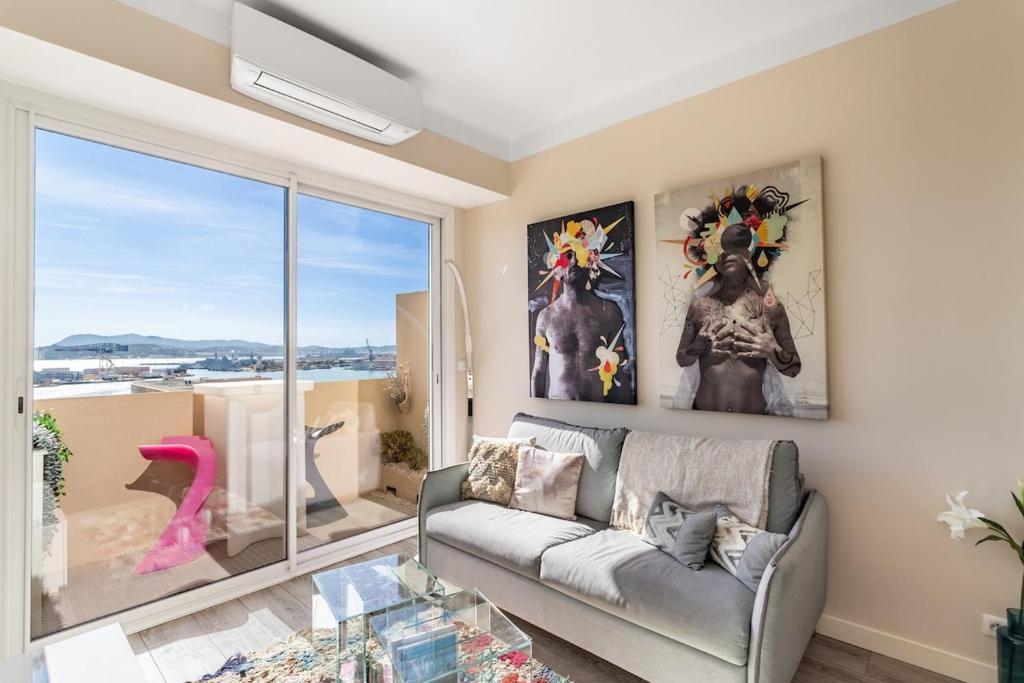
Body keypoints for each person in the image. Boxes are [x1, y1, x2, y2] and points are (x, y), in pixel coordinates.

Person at [675, 223, 800, 414]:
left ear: (750, 254)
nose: (726, 253)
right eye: (720, 248)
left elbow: (794, 369)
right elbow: (681, 359)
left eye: (735, 246)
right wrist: (696, 348)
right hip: (703, 420)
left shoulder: (771, 307)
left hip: (755, 424)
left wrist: (772, 350)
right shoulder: (700, 306)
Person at [532, 248, 627, 401]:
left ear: (589, 261)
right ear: (558, 267)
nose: (574, 261)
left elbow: (620, 372)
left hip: (598, 413)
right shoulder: (546, 317)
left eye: (580, 254)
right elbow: (538, 372)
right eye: (568, 256)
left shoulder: (609, 312)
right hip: (557, 412)